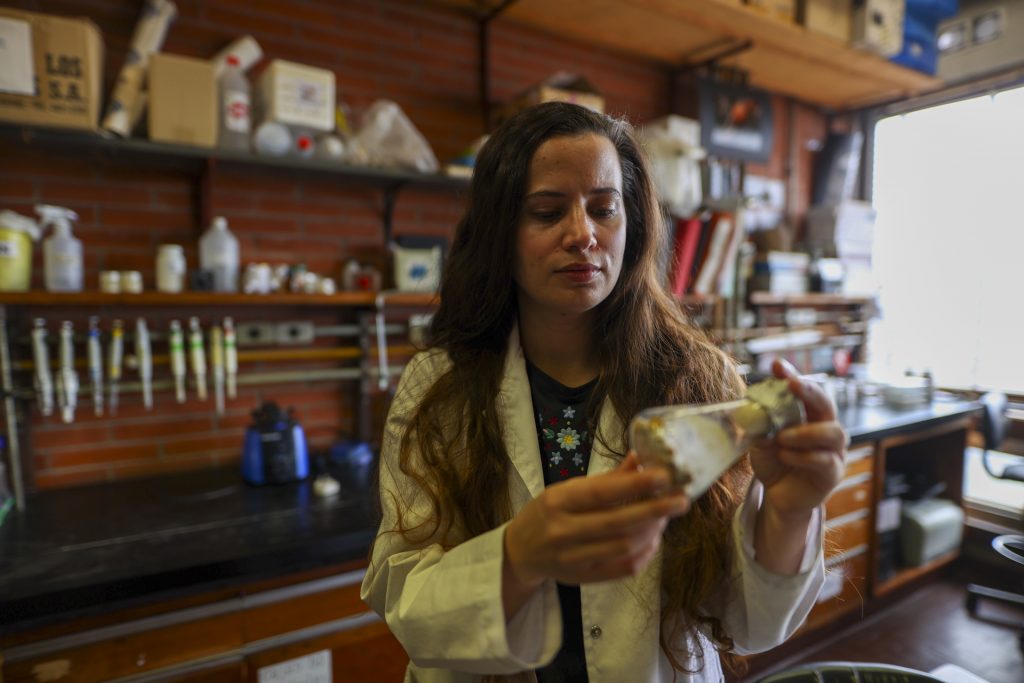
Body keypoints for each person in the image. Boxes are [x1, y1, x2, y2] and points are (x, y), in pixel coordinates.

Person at [361, 101, 847, 682]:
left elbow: (749, 623)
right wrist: (520, 555)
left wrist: (790, 512)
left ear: (630, 224)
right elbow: (409, 607)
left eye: (604, 209)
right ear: (499, 233)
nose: (582, 235)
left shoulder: (700, 378)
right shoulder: (437, 387)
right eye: (546, 211)